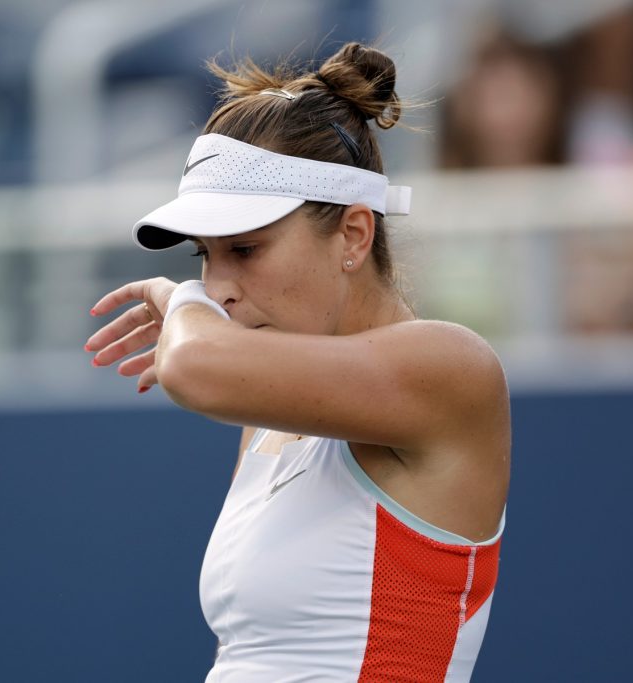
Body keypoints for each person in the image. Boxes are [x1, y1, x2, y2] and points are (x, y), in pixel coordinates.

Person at [84, 42, 510, 683]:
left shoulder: (451, 366)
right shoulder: (270, 419)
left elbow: (192, 367)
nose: (217, 286)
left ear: (354, 236)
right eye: (204, 255)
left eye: (246, 249)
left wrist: (179, 301)